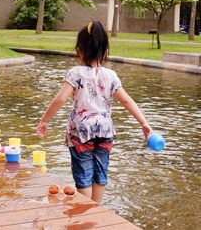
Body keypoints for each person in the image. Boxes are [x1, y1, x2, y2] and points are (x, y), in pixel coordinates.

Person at [35, 20, 153, 204]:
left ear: (79, 50)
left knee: (83, 173)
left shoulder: (75, 73)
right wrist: (143, 122)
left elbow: (60, 99)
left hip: (81, 132)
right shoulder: (111, 75)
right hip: (104, 132)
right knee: (100, 172)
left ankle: (85, 210)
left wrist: (44, 121)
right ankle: (96, 209)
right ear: (105, 50)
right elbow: (126, 100)